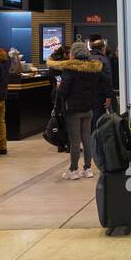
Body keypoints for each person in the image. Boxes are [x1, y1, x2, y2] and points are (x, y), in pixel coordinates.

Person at [48, 41, 112, 179]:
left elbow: (63, 91)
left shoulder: (70, 69)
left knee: (75, 140)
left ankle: (73, 170)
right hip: (89, 108)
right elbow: (104, 82)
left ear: (74, 53)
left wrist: (59, 93)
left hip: (73, 109)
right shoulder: (93, 69)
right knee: (87, 139)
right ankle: (88, 168)